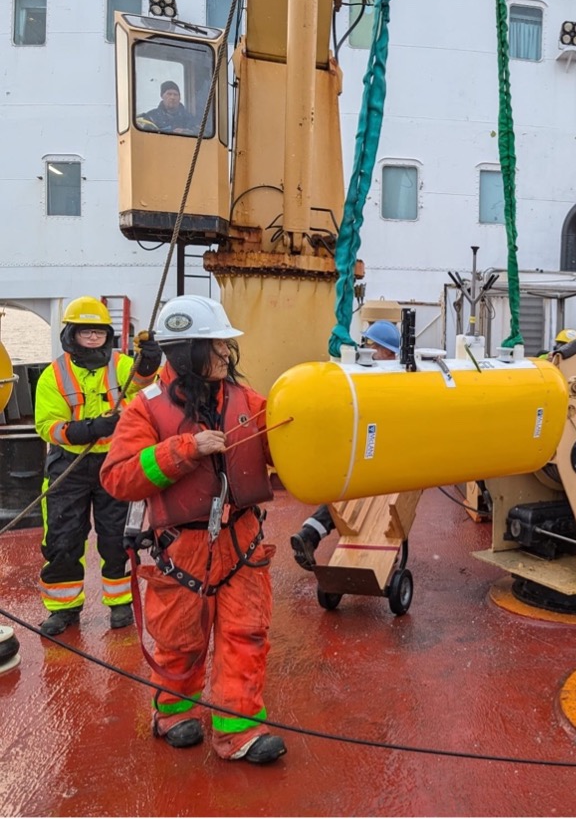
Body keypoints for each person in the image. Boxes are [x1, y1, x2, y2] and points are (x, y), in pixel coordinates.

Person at [100, 295, 286, 765]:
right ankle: (173, 714)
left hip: (241, 543)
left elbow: (286, 439)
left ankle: (239, 732)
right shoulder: (144, 409)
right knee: (180, 640)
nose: (227, 354)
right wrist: (185, 450)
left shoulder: (248, 401)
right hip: (180, 548)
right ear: (185, 353)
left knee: (245, 634)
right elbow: (117, 475)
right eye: (217, 345)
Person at [34, 296, 162, 636]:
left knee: (116, 537)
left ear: (108, 335)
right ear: (71, 335)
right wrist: (92, 428)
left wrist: (149, 361)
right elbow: (49, 427)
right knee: (63, 538)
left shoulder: (121, 364)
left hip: (115, 463)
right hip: (69, 467)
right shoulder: (53, 376)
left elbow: (146, 383)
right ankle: (63, 609)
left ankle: (120, 604)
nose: (93, 339)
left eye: (99, 333)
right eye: (86, 333)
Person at [289, 319, 400, 570]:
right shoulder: (383, 377)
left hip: (354, 450)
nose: (367, 349)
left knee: (343, 497)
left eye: (371, 345)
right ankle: (379, 554)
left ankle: (311, 533)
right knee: (372, 501)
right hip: (374, 454)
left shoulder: (362, 373)